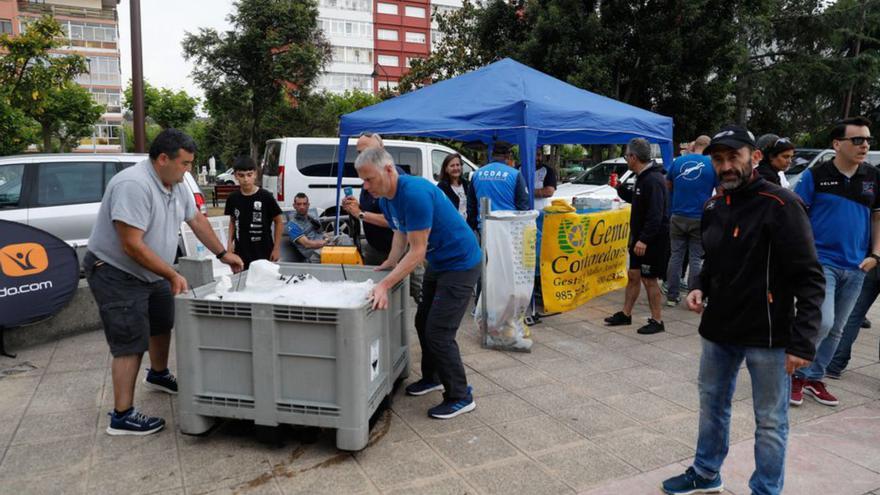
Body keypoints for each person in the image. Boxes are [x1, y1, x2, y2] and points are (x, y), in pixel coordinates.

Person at [661, 124, 824, 495]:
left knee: (769, 421)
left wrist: (803, 342)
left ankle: (766, 490)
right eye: (719, 160)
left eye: (734, 156)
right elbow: (711, 260)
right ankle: (705, 473)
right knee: (712, 406)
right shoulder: (714, 206)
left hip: (768, 336)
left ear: (755, 156)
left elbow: (810, 278)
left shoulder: (782, 205)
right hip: (718, 330)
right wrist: (699, 286)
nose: (726, 166)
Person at [84, 128, 244, 436]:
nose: (189, 171)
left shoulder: (176, 183)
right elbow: (131, 244)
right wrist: (171, 273)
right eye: (184, 164)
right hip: (115, 269)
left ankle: (158, 375)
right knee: (130, 339)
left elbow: (197, 220)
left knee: (161, 320)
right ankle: (122, 416)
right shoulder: (133, 185)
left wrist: (224, 253)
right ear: (162, 159)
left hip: (150, 270)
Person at [355, 147, 482, 419]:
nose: (365, 187)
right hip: (440, 263)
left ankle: (461, 395)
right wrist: (390, 262)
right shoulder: (387, 198)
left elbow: (417, 251)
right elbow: (400, 231)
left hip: (461, 263)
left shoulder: (414, 193)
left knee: (439, 332)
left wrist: (385, 285)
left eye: (369, 179)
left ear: (389, 170)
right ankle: (433, 377)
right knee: (422, 321)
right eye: (362, 181)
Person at [791, 116, 879, 407]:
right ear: (837, 144)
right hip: (821, 262)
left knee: (838, 328)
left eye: (867, 140)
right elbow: (797, 215)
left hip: (856, 265)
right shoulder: (816, 175)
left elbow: (878, 217)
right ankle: (796, 376)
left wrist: (876, 254)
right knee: (823, 321)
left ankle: (815, 377)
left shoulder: (872, 177)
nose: (864, 145)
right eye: (857, 139)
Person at [604, 138, 670, 335]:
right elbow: (637, 201)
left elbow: (656, 214)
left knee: (649, 280)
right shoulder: (642, 177)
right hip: (639, 238)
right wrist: (620, 189)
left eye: (627, 156)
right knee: (633, 275)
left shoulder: (654, 179)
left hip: (652, 240)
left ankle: (657, 320)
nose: (627, 160)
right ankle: (626, 314)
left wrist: (644, 239)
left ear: (634, 157)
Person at [665, 135, 715, 307]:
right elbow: (721, 192)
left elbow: (668, 185)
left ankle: (672, 296)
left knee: (676, 256)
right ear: (709, 148)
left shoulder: (679, 162)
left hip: (677, 215)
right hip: (700, 217)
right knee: (695, 258)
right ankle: (695, 296)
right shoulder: (712, 166)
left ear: (695, 146)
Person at [224, 156, 283, 269]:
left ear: (255, 174)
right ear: (235, 176)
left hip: (264, 251)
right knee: (242, 282)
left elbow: (279, 221)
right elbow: (232, 221)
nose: (246, 179)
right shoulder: (233, 198)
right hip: (241, 252)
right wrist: (229, 245)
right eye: (241, 175)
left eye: (249, 175)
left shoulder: (266, 196)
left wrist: (276, 248)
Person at [827, 265, 880, 379]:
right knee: (854, 315)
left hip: (874, 264)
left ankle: (835, 364)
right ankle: (835, 363)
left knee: (854, 315)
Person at [466, 142, 530, 230]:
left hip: (484, 228)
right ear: (508, 156)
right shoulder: (515, 174)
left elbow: (471, 206)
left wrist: (474, 226)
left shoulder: (477, 174)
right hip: (508, 227)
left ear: (492, 154)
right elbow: (523, 206)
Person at [287, 193, 326, 263]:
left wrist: (328, 239)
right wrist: (326, 242)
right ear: (294, 206)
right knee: (339, 250)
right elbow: (307, 244)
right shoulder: (292, 225)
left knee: (343, 237)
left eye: (304, 204)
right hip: (314, 254)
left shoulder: (311, 218)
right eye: (299, 204)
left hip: (324, 247)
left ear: (308, 205)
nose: (302, 207)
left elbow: (322, 233)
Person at [436, 153, 471, 221]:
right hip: (451, 227)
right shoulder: (442, 187)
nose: (455, 168)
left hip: (466, 226)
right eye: (452, 166)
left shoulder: (465, 184)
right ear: (446, 169)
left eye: (458, 165)